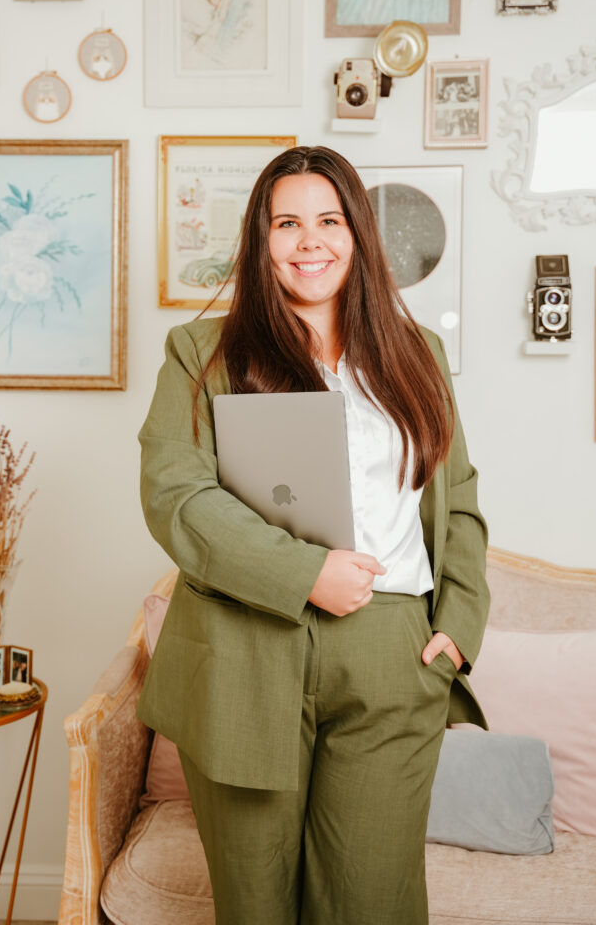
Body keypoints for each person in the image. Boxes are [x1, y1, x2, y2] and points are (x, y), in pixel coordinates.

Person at [136, 145, 489, 925]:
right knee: (255, 902)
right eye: (286, 223)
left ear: (357, 233)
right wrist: (304, 573)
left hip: (393, 652)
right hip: (243, 649)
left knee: (371, 901)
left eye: (328, 220)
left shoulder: (418, 355)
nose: (310, 241)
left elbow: (455, 501)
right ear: (259, 242)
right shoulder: (201, 354)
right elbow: (177, 496)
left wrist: (456, 628)